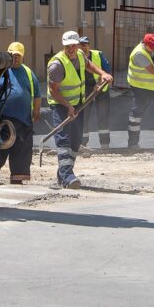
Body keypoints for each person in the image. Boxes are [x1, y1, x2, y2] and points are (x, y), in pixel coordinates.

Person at [46, 30, 113, 189]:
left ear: (77, 45)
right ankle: (68, 175)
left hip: (78, 103)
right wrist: (68, 106)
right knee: (64, 139)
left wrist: (102, 73)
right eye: (67, 46)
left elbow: (89, 65)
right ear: (63, 46)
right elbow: (53, 90)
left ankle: (63, 173)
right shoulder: (56, 65)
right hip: (60, 105)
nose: (71, 49)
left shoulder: (81, 55)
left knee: (76, 140)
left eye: (73, 46)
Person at [0, 42, 42, 184]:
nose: (15, 59)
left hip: (24, 120)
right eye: (13, 56)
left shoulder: (28, 72)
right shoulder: (1, 71)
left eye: (18, 56)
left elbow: (37, 94)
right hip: (4, 119)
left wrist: (36, 110)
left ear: (22, 56)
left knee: (22, 150)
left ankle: (18, 178)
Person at [77, 36, 113, 149]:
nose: (84, 47)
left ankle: (105, 143)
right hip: (85, 89)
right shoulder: (76, 58)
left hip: (101, 89)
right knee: (84, 116)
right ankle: (82, 143)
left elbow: (107, 71)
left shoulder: (98, 55)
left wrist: (99, 83)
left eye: (86, 44)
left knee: (103, 115)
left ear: (89, 46)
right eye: (81, 44)